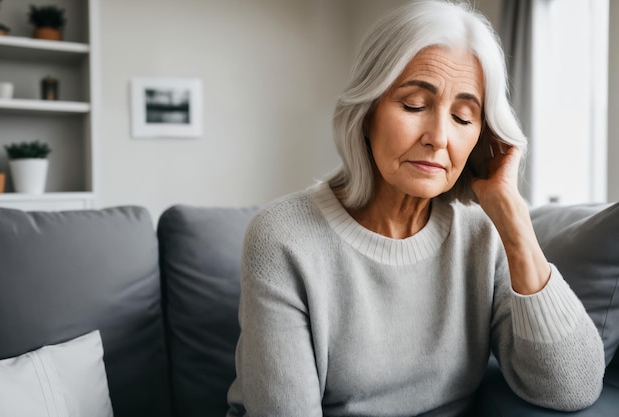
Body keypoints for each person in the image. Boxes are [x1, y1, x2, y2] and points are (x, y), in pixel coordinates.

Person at [226, 1, 605, 416]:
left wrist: (513, 219)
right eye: (414, 105)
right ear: (366, 112)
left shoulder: (480, 234)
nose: (439, 137)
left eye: (463, 117)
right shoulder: (283, 236)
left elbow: (573, 386)